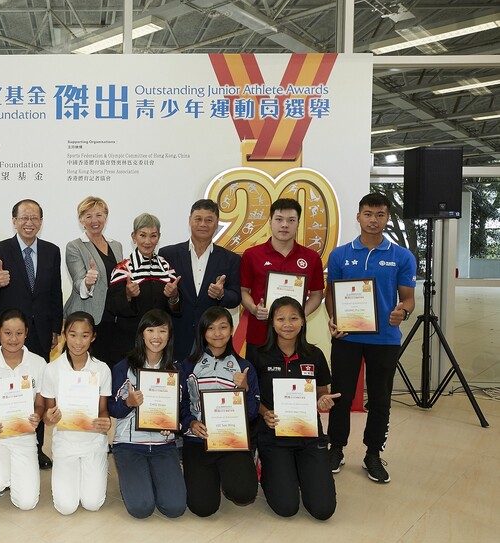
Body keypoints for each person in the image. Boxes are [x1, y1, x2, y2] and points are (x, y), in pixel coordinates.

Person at [326, 192, 416, 484]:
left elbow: (409, 299)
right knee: (341, 395)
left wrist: (402, 312)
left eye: (379, 215)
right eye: (368, 214)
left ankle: (373, 454)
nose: (373, 220)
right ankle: (336, 449)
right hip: (347, 337)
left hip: (386, 339)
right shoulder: (340, 254)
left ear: (387, 217)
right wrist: (334, 320)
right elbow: (331, 294)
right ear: (358, 216)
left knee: (380, 399)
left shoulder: (402, 256)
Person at [0, 198, 63, 469]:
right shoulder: (0, 249)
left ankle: (35, 446)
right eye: (24, 218)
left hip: (38, 334)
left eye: (35, 218)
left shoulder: (52, 251)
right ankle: (0, 439)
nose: (29, 223)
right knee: (2, 390)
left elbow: (55, 293)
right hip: (8, 334)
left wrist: (54, 329)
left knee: (35, 393)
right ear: (14, 221)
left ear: (41, 221)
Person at [253, 297, 339, 520]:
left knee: (323, 510)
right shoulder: (258, 355)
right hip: (274, 436)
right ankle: (268, 467)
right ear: (272, 322)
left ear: (303, 320)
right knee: (286, 507)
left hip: (309, 436)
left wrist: (322, 400)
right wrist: (264, 413)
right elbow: (251, 397)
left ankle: (302, 471)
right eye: (281, 318)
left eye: (293, 318)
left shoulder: (314, 355)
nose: (287, 324)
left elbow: (322, 390)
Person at [179, 307, 259, 517]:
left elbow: (252, 413)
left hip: (231, 441)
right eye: (211, 328)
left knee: (244, 493)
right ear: (203, 332)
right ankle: (209, 474)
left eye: (223, 327)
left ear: (231, 330)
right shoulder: (188, 365)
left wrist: (244, 390)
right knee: (203, 508)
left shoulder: (243, 366)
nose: (217, 333)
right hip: (197, 441)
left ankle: (228, 472)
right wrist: (191, 423)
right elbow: (181, 403)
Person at [108, 309, 186, 519]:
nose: (156, 336)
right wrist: (128, 403)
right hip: (129, 446)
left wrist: (176, 424)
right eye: (150, 330)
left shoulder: (176, 369)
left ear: (169, 335)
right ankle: (140, 478)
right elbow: (112, 409)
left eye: (162, 331)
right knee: (141, 508)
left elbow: (183, 409)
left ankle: (152, 476)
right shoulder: (123, 368)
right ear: (141, 333)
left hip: (164, 446)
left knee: (174, 507)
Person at [0, 308, 46, 510]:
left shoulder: (39, 364)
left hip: (24, 437)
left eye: (19, 333)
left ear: (26, 333)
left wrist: (37, 415)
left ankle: (16, 473)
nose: (13, 339)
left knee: (27, 503)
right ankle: (1, 474)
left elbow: (40, 404)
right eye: (7, 333)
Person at [40, 311, 112, 515]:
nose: (78, 342)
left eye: (84, 335)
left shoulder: (102, 369)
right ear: (64, 334)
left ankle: (94, 468)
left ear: (93, 337)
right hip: (66, 442)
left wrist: (105, 421)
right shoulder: (52, 370)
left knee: (92, 503)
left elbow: (103, 409)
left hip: (93, 442)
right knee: (65, 507)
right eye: (73, 335)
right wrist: (49, 417)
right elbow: (47, 414)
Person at [240, 198, 324, 356]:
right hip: (259, 335)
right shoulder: (252, 255)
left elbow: (316, 295)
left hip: (295, 338)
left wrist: (298, 315)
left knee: (293, 381)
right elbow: (243, 291)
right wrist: (254, 309)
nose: (285, 225)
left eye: (291, 220)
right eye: (279, 219)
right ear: (270, 222)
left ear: (298, 223)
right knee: (256, 380)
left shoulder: (311, 257)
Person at [160, 199, 242, 358]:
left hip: (212, 339)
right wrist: (172, 296)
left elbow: (236, 297)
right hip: (176, 337)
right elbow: (159, 297)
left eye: (209, 220)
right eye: (198, 219)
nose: (203, 224)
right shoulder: (168, 254)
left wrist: (221, 294)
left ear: (217, 224)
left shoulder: (230, 259)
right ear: (190, 220)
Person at [105, 212, 180, 364]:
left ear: (159, 237)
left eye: (153, 236)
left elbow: (176, 308)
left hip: (160, 346)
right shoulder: (123, 268)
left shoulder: (166, 267)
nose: (147, 241)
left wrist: (174, 296)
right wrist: (127, 295)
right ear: (134, 236)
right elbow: (112, 307)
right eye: (142, 235)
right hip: (129, 345)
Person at [63, 196, 123, 365]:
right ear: (81, 220)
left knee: (108, 368)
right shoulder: (75, 246)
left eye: (99, 215)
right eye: (88, 216)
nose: (94, 221)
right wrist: (87, 282)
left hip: (114, 317)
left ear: (106, 217)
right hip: (88, 318)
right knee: (85, 369)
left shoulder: (116, 245)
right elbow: (77, 281)